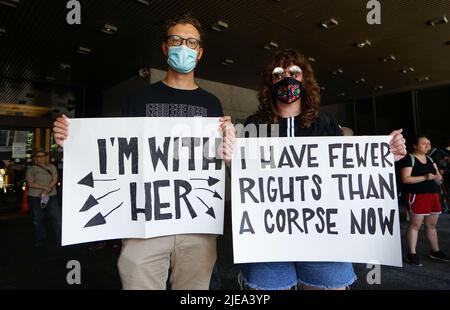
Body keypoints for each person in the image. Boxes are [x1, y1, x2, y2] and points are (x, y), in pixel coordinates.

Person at [53, 14, 235, 290]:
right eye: (176, 40)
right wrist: (75, 141)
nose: (183, 46)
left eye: (190, 42)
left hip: (196, 225)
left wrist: (229, 144)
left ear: (199, 53)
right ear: (165, 48)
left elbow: (218, 159)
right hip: (143, 225)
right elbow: (117, 155)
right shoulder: (139, 98)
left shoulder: (212, 103)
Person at [238, 49, 407, 290]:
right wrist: (230, 157)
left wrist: (383, 156)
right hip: (269, 235)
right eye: (279, 74)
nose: (287, 78)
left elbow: (345, 171)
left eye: (294, 72)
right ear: (269, 82)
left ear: (304, 79)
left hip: (322, 235)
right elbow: (247, 177)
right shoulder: (255, 124)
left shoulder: (324, 122)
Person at [400, 135, 450, 266]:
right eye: (424, 143)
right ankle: (412, 254)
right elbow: (405, 179)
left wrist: (439, 177)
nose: (427, 145)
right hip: (417, 195)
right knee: (415, 225)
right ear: (415, 146)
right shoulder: (409, 158)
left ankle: (435, 251)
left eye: (429, 143)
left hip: (432, 195)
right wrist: (425, 177)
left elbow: (439, 180)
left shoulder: (430, 158)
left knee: (432, 225)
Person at [26, 149, 61, 247]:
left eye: (42, 156)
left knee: (57, 217)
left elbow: (55, 179)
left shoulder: (52, 167)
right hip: (35, 196)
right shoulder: (31, 168)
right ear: (35, 158)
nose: (40, 158)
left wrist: (47, 189)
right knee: (37, 219)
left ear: (46, 157)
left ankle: (60, 238)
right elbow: (30, 183)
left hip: (51, 195)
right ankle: (40, 239)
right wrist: (44, 188)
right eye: (38, 156)